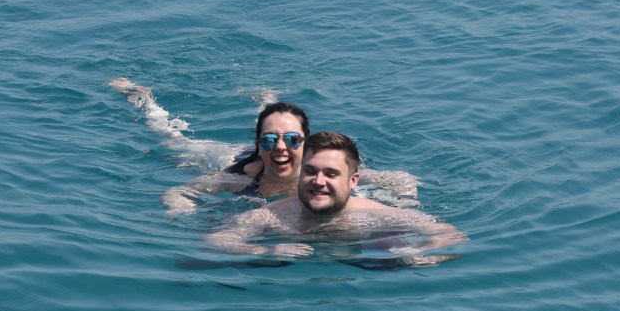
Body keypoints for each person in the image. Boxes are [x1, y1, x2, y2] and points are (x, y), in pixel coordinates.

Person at [110, 78, 420, 215]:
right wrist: (184, 211)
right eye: (270, 141)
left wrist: (405, 203)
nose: (281, 148)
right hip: (228, 156)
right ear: (260, 146)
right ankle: (142, 98)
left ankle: (267, 102)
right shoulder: (238, 177)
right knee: (172, 140)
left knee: (276, 120)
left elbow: (402, 178)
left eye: (293, 140)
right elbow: (178, 192)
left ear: (306, 144)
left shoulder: (324, 170)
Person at [206, 132, 467, 266]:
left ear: (353, 181)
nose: (318, 181)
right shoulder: (271, 215)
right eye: (310, 171)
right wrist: (265, 250)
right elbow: (216, 242)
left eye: (331, 174)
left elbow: (452, 236)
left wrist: (418, 253)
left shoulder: (379, 215)